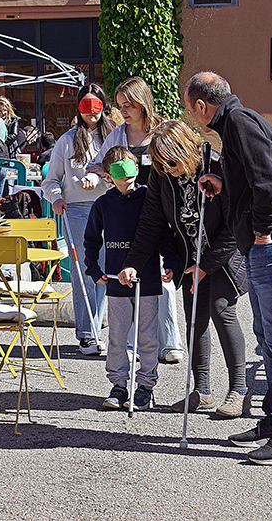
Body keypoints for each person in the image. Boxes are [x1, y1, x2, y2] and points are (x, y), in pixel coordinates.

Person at [185, 71, 272, 465]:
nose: (191, 116)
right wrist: (222, 181)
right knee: (269, 336)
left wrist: (262, 229)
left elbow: (267, 180)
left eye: (190, 108)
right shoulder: (238, 122)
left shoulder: (239, 123)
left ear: (201, 105)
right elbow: (254, 176)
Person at [119, 120, 250, 417]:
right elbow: (151, 222)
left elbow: (234, 224)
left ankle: (240, 391)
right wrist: (132, 263)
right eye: (161, 165)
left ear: (185, 151)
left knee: (221, 309)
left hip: (223, 254)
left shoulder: (216, 165)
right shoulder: (162, 174)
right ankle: (202, 391)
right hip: (191, 257)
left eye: (172, 163)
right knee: (194, 318)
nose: (167, 170)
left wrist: (208, 264)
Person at [89, 76, 184, 364]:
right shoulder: (117, 134)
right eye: (119, 105)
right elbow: (100, 162)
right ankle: (132, 346)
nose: (123, 110)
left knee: (163, 279)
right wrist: (96, 173)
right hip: (129, 212)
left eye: (128, 105)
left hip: (160, 209)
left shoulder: (162, 130)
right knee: (129, 277)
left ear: (143, 103)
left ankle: (169, 343)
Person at [85, 146, 177, 411]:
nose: (126, 174)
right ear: (108, 176)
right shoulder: (103, 204)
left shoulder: (150, 199)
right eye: (119, 170)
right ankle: (119, 385)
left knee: (148, 337)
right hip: (116, 283)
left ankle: (145, 387)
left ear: (137, 168)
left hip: (147, 281)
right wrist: (94, 269)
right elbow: (91, 240)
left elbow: (164, 235)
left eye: (130, 167)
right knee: (117, 337)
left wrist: (170, 262)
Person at [41, 82, 114, 355]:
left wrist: (102, 177)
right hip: (76, 210)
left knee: (105, 269)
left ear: (104, 106)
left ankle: (96, 327)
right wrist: (56, 198)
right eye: (85, 106)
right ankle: (87, 333)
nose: (91, 112)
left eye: (96, 106)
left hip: (109, 206)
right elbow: (50, 180)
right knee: (84, 270)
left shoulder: (114, 137)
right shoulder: (67, 140)